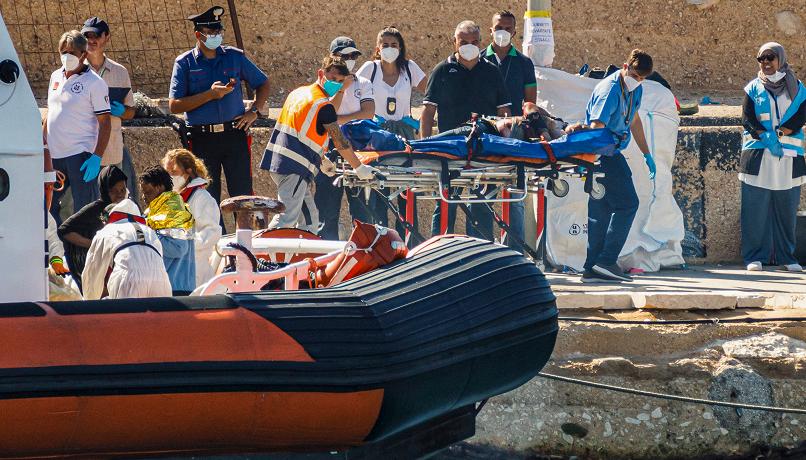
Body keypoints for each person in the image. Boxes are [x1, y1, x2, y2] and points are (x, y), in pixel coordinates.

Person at [169, 5, 270, 214]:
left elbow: (263, 83)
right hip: (202, 138)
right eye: (211, 32)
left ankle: (245, 242)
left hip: (234, 134)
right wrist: (210, 95)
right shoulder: (185, 63)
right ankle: (215, 242)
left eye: (218, 31)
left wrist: (255, 111)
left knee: (243, 195)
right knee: (207, 196)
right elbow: (174, 105)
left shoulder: (234, 56)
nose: (216, 36)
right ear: (198, 34)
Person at [259, 56, 379, 232]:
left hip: (280, 162)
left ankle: (301, 255)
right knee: (286, 218)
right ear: (320, 74)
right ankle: (261, 255)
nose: (336, 84)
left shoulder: (299, 93)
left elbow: (304, 131)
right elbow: (340, 142)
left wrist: (321, 160)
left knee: (310, 221)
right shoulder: (324, 106)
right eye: (332, 79)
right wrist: (359, 168)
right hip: (294, 168)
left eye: (340, 82)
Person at [420, 20, 512, 239]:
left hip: (485, 149)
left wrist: (506, 145)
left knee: (482, 204)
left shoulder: (492, 71)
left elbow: (505, 111)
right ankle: (438, 251)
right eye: (464, 42)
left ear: (481, 42)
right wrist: (425, 147)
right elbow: (427, 112)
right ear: (454, 42)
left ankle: (481, 252)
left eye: (474, 41)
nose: (469, 45)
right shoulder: (442, 70)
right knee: (445, 204)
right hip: (450, 150)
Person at [581, 49, 656, 283]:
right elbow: (596, 127)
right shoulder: (610, 89)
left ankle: (592, 267)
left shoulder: (636, 89)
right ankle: (607, 260)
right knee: (628, 204)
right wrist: (591, 162)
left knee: (601, 211)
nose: (638, 81)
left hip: (611, 151)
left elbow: (634, 120)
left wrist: (647, 154)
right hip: (604, 152)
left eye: (643, 78)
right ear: (625, 66)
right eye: (635, 75)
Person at [739, 42, 806, 272]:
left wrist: (781, 132)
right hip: (759, 156)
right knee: (755, 208)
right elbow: (747, 118)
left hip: (789, 157)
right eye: (761, 59)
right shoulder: (753, 88)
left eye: (770, 58)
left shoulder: (797, 87)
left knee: (786, 209)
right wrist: (766, 136)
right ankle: (754, 257)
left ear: (780, 59)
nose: (766, 63)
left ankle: (787, 257)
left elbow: (801, 116)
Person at [357, 26, 428, 238]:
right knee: (380, 188)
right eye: (385, 45)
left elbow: (431, 90)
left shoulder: (409, 68)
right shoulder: (371, 69)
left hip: (404, 134)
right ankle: (381, 239)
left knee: (407, 189)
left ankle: (408, 239)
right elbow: (353, 88)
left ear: (401, 47)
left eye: (394, 45)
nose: (390, 49)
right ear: (378, 49)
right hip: (377, 135)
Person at [482, 10, 538, 253]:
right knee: (481, 190)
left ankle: (514, 250)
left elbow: (529, 101)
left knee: (515, 193)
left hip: (515, 134)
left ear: (515, 32)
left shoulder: (524, 63)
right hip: (485, 131)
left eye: (508, 28)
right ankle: (483, 248)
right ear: (490, 30)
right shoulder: (479, 59)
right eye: (499, 27)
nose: (503, 32)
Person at [314, 37, 377, 240]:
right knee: (327, 206)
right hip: (330, 145)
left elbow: (368, 112)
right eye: (344, 56)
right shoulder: (323, 85)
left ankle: (364, 249)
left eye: (353, 56)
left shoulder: (364, 82)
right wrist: (341, 87)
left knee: (362, 208)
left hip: (359, 144)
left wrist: (339, 119)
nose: (349, 60)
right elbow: (329, 111)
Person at [45, 30, 111, 224]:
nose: (66, 56)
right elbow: (50, 113)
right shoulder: (55, 76)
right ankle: (56, 250)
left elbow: (105, 122)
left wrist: (97, 156)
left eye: (71, 53)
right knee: (47, 208)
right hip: (54, 156)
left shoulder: (95, 83)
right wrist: (44, 148)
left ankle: (83, 253)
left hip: (80, 156)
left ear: (83, 54)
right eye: (63, 51)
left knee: (84, 211)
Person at [82, 16, 141, 206]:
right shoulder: (75, 69)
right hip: (82, 148)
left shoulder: (120, 72)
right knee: (79, 203)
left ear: (106, 37)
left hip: (111, 150)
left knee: (115, 201)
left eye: (96, 35)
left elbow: (131, 112)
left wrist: (121, 110)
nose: (91, 40)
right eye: (87, 35)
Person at [82, 199, 172, 300]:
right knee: (157, 316)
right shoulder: (150, 231)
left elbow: (92, 273)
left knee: (126, 315)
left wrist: (89, 303)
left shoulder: (107, 231)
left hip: (128, 280)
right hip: (161, 280)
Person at [58, 165, 128, 292]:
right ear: (104, 191)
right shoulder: (95, 209)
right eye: (114, 191)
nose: (120, 195)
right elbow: (64, 230)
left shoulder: (128, 208)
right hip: (99, 268)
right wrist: (94, 244)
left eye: (122, 190)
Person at [162, 148, 222, 284]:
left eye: (174, 172)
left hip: (195, 268)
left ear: (188, 171)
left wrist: (185, 245)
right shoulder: (170, 198)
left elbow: (211, 232)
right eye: (167, 173)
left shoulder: (202, 198)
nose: (170, 176)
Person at [139, 165, 196, 294]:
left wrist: (147, 236)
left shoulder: (171, 211)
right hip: (175, 286)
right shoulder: (165, 209)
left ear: (160, 187)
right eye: (142, 192)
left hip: (174, 288)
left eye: (147, 192)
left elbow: (178, 248)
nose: (143, 197)